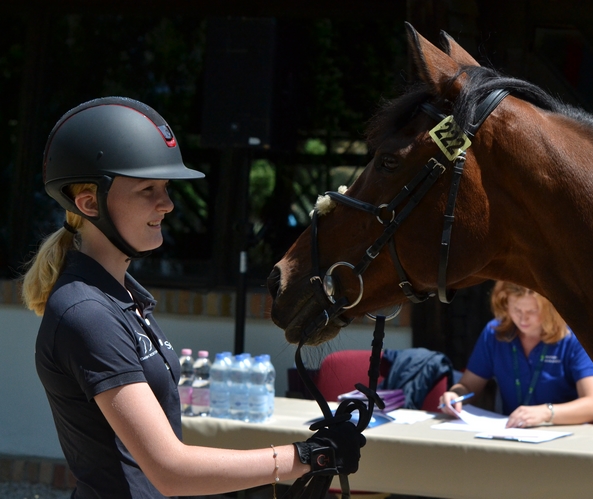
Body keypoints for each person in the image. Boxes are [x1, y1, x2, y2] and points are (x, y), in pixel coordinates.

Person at [23, 97, 364, 498]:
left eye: (165, 188)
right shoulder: (88, 313)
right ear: (89, 203)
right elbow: (171, 469)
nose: (166, 204)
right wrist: (310, 456)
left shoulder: (124, 299)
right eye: (147, 189)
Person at [439, 281, 593, 428]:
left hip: (563, 435)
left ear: (551, 308)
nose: (523, 319)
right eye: (516, 309)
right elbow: (468, 386)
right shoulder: (494, 333)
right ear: (505, 303)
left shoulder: (572, 337)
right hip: (511, 433)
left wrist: (546, 413)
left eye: (532, 311)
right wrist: (455, 395)